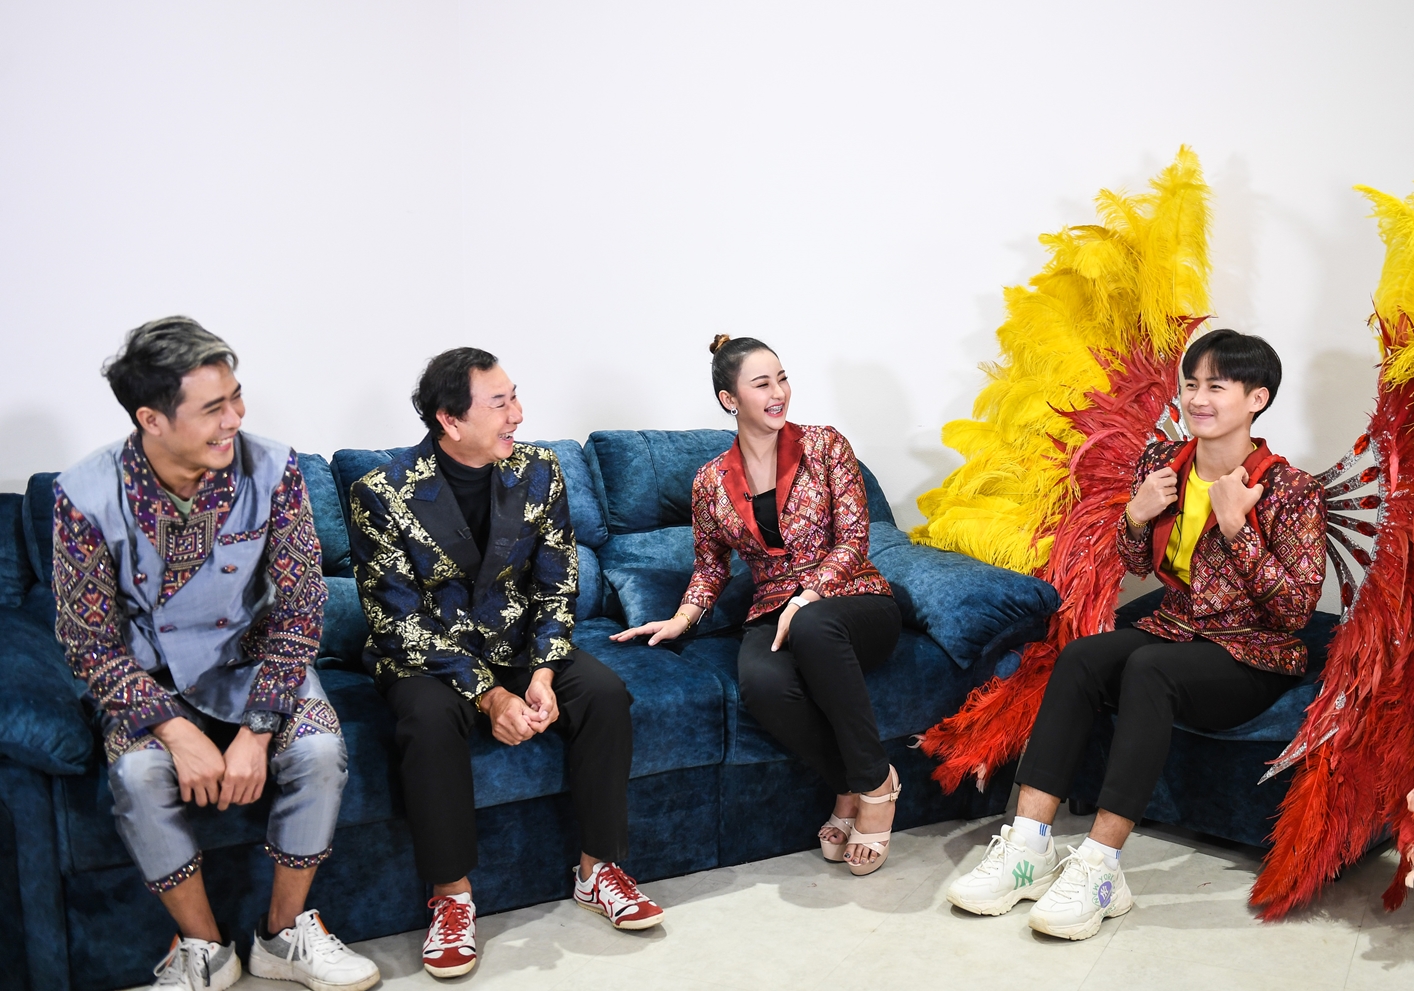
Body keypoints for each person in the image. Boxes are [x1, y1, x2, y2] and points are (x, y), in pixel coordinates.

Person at [946, 329, 1327, 939]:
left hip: (1252, 652)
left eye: (1217, 387)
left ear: (1257, 399)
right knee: (1082, 658)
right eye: (1191, 384)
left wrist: (1238, 528)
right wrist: (1135, 514)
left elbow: (1294, 610)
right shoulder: (1163, 465)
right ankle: (1028, 848)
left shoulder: (1290, 489)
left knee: (1149, 671)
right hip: (1175, 627)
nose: (1198, 399)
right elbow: (1138, 564)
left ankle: (1100, 869)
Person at [51, 318, 378, 991]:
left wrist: (257, 732)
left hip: (257, 662)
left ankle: (283, 935)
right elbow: (89, 643)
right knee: (138, 777)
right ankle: (203, 948)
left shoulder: (275, 468)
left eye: (236, 397)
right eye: (212, 408)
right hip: (150, 679)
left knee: (319, 752)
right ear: (152, 419)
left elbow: (300, 607)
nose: (235, 418)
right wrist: (176, 732)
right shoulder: (83, 495)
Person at [348, 347, 662, 980]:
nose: (518, 413)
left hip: (518, 646)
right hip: (428, 657)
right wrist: (491, 697)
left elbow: (557, 583)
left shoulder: (538, 469)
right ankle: (451, 898)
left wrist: (543, 673)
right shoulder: (379, 493)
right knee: (427, 722)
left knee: (604, 693)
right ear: (450, 420)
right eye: (500, 403)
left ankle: (598, 870)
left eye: (514, 396)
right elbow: (396, 618)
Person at [615, 335, 904, 874]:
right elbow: (710, 567)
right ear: (730, 399)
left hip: (853, 598)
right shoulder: (710, 482)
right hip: (772, 609)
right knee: (762, 685)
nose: (779, 393)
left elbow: (854, 540)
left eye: (783, 379)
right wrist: (680, 619)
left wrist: (809, 596)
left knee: (813, 625)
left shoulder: (825, 445)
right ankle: (849, 783)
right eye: (762, 384)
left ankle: (875, 787)